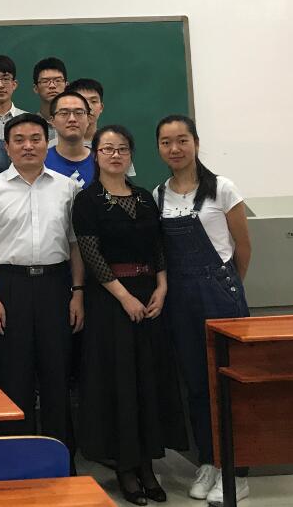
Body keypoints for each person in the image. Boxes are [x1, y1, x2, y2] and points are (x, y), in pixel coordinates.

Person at [73, 124, 187, 505]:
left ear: (131, 155)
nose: (115, 155)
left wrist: (162, 286)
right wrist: (124, 298)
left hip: (149, 296)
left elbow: (158, 246)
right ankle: (125, 468)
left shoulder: (144, 197)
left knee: (147, 380)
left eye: (122, 149)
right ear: (96, 155)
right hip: (110, 301)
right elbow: (91, 255)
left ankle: (147, 465)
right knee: (118, 381)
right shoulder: (87, 201)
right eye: (107, 149)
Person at [0, 113, 84, 452]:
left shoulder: (67, 188)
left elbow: (76, 245)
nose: (28, 146)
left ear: (46, 143)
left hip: (55, 285)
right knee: (14, 376)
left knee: (56, 374)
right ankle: (17, 457)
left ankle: (60, 457)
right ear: (7, 147)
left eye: (35, 139)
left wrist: (78, 292)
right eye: (19, 140)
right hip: (10, 287)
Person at [155, 115, 253, 505]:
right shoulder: (158, 195)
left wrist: (227, 289)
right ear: (159, 148)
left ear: (196, 142)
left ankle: (237, 472)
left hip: (221, 295)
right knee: (197, 385)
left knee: (229, 384)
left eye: (182, 140)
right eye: (166, 142)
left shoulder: (222, 188)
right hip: (180, 300)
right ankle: (210, 462)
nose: (175, 148)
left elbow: (243, 247)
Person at [45, 91, 96, 187]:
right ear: (52, 121)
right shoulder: (40, 162)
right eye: (64, 113)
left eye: (79, 113)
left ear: (88, 119)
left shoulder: (101, 161)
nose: (72, 119)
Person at [31, 57, 68, 146]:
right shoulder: (28, 126)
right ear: (36, 88)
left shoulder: (76, 124)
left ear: (66, 86)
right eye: (45, 81)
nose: (52, 86)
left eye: (57, 80)